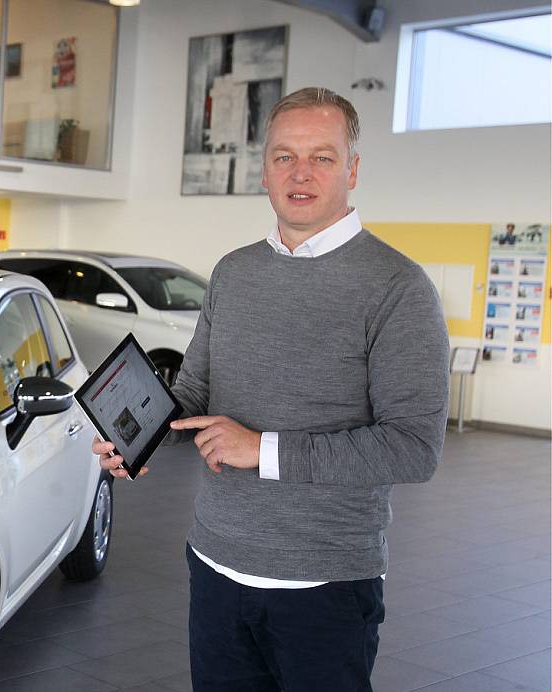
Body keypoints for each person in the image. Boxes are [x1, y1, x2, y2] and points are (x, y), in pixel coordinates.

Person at [94, 87, 449, 692]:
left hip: (324, 585)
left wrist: (263, 449)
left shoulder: (398, 287)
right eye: (285, 156)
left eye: (322, 157)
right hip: (215, 564)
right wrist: (140, 437)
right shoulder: (234, 271)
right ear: (264, 170)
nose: (300, 173)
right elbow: (196, 394)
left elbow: (414, 447)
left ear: (352, 170)